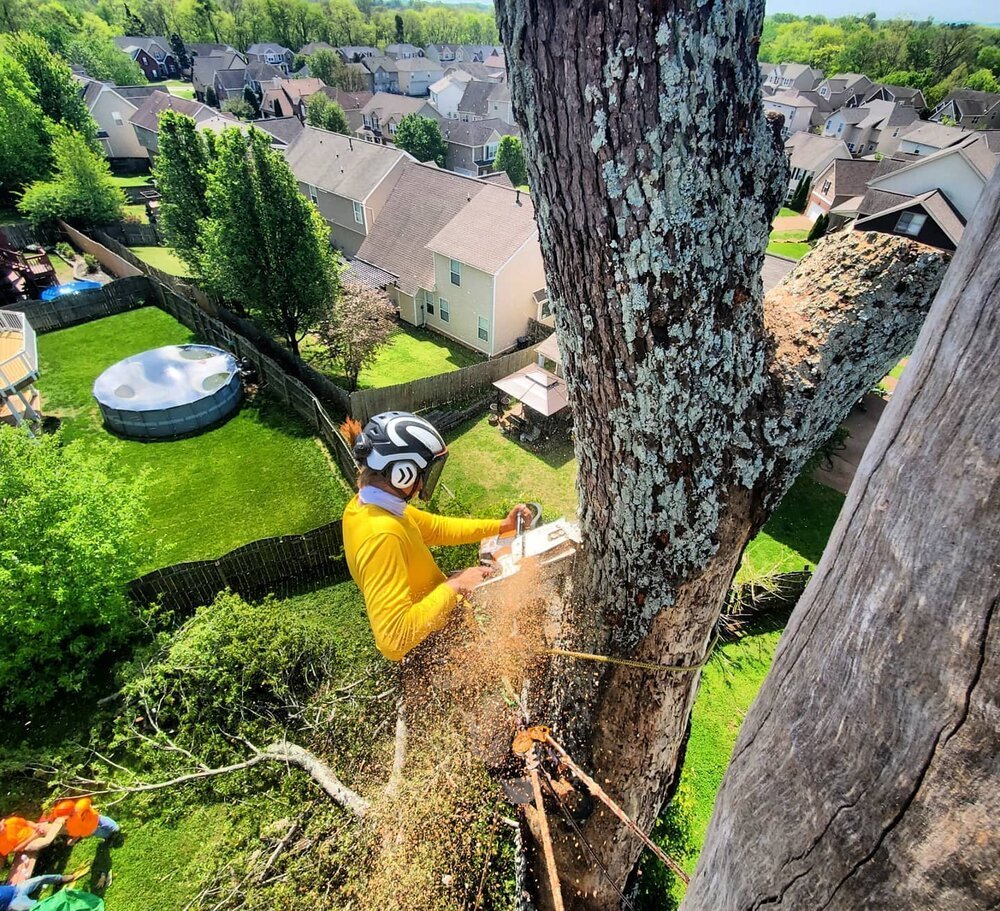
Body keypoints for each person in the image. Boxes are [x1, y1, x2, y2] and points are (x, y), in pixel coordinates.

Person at [343, 411, 531, 661]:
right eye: (422, 474)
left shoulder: (370, 506)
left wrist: (502, 526)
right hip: (428, 651)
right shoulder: (382, 535)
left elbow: (438, 529)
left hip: (435, 625)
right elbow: (393, 640)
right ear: (402, 472)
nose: (421, 484)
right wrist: (455, 586)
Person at [0, 868, 87, 911]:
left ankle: (61, 879)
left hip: (16, 888)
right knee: (38, 906)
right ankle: (61, 904)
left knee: (40, 879)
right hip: (12, 903)